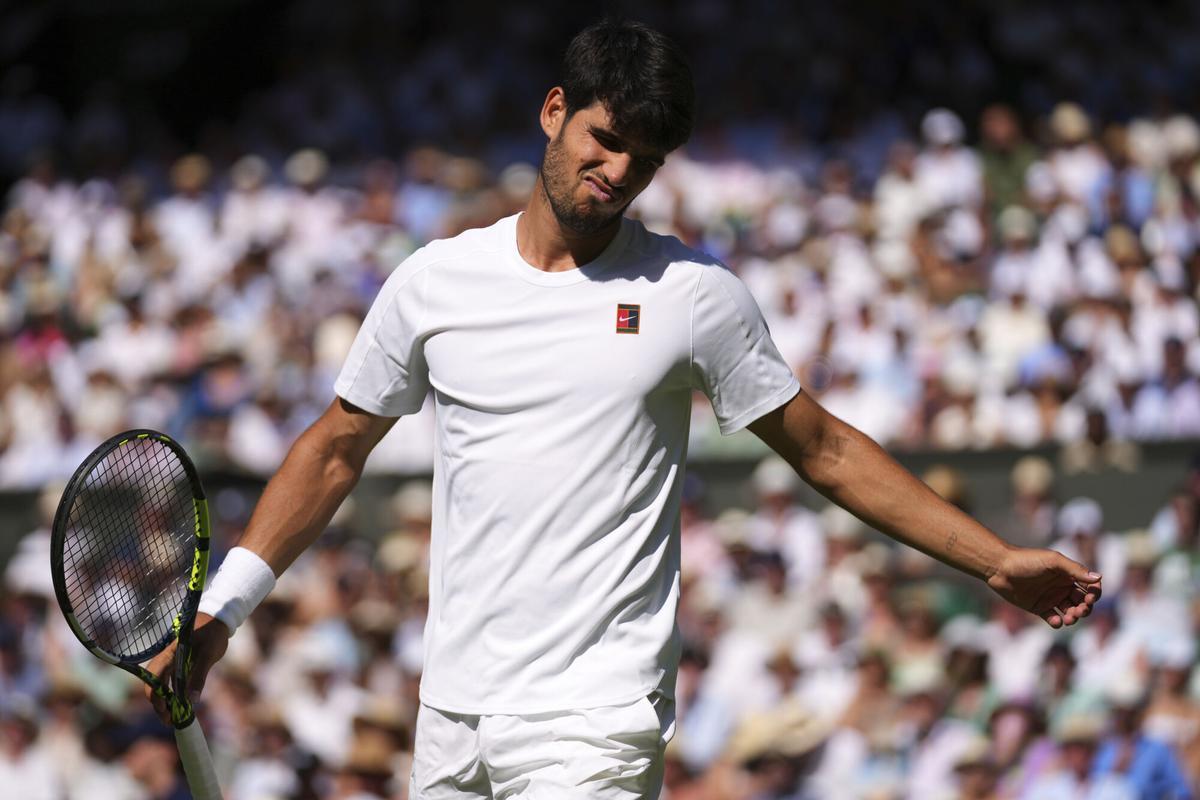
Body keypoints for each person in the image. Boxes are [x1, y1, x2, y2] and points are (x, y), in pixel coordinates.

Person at [145, 18, 1103, 799]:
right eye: (604, 140)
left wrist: (994, 560)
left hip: (597, 719)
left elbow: (826, 451)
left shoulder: (694, 295)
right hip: (452, 716)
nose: (615, 172)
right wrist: (223, 610)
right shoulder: (434, 281)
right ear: (554, 112)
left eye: (643, 161)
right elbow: (334, 449)